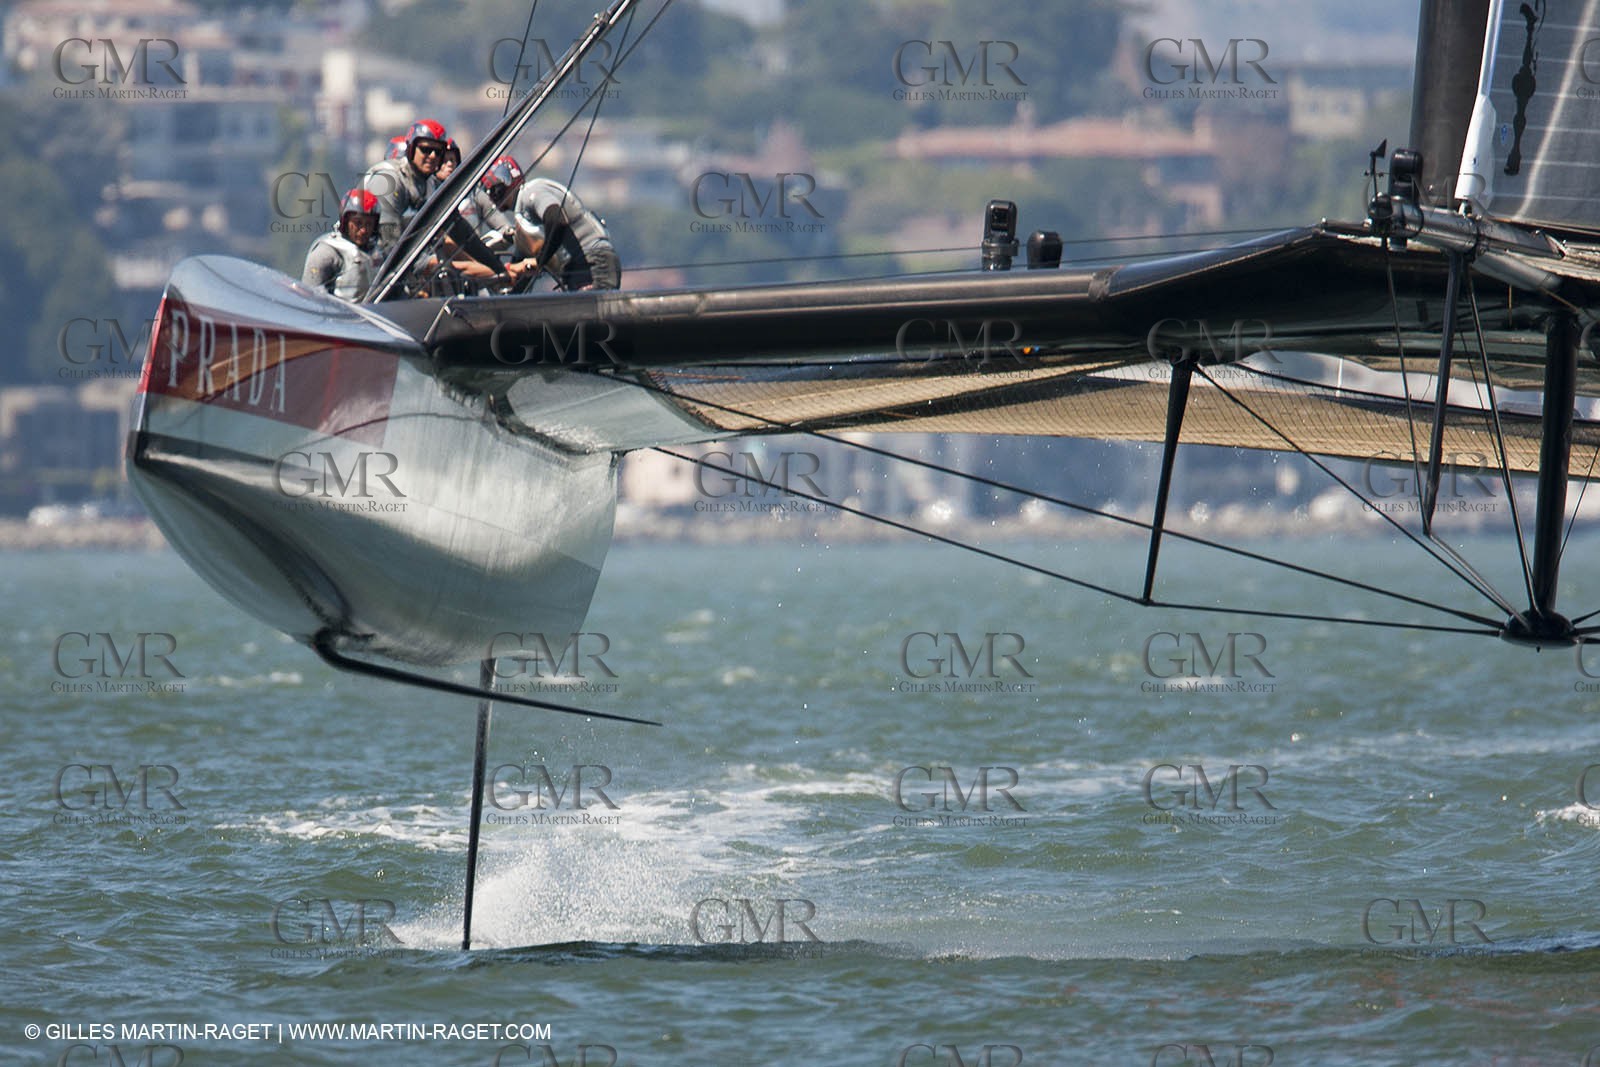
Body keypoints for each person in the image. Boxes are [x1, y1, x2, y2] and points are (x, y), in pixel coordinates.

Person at [512, 176, 621, 290]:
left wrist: (540, 261)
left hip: (591, 261)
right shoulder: (523, 214)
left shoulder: (531, 192)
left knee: (592, 307)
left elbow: (556, 220)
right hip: (580, 265)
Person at [300, 189, 379, 300]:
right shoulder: (325, 253)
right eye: (358, 223)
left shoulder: (378, 254)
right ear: (346, 222)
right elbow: (309, 298)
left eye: (369, 224)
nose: (363, 230)